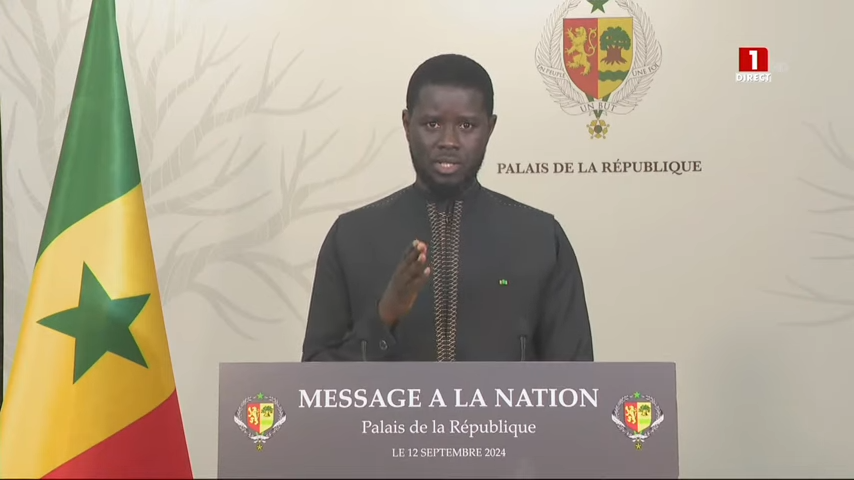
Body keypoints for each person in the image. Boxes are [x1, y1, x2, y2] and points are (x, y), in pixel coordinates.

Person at [301, 53, 593, 362]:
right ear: (406, 123)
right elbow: (316, 381)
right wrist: (384, 318)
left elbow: (575, 384)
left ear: (490, 128)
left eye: (467, 125)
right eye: (432, 123)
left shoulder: (540, 238)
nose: (449, 141)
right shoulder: (352, 237)